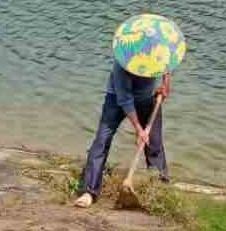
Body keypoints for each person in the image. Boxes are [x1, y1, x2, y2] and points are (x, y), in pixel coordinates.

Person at [73, 62, 171, 207]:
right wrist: (139, 129)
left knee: (154, 144)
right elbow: (125, 100)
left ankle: (160, 189)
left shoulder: (156, 52)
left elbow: (168, 64)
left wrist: (165, 85)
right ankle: (89, 191)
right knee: (102, 140)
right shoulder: (122, 64)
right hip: (117, 99)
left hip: (147, 98)